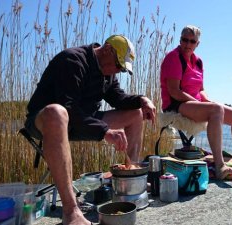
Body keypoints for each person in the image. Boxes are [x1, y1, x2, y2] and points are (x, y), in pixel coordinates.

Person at [24, 35, 156, 225]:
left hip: (84, 120)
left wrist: (142, 100)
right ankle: (71, 212)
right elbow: (68, 107)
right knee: (57, 112)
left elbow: (119, 99)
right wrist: (105, 131)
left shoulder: (107, 72)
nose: (118, 71)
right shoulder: (72, 60)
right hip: (46, 121)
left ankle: (131, 181)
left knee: (135, 113)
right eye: (118, 65)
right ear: (107, 49)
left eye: (121, 68)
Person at [160, 25, 232, 180]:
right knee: (216, 110)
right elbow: (174, 91)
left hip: (193, 102)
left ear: (197, 43)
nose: (188, 44)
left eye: (192, 41)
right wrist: (199, 102)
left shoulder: (198, 62)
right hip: (176, 104)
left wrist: (207, 101)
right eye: (184, 40)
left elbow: (201, 89)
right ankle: (219, 164)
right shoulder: (173, 57)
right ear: (180, 39)